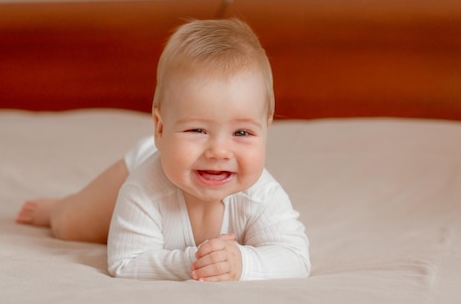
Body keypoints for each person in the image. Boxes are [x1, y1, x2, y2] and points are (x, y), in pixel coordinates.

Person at [16, 18, 311, 282]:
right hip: (142, 166)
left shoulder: (262, 195)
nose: (219, 151)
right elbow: (125, 262)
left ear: (266, 129)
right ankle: (60, 207)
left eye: (242, 133)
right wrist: (197, 263)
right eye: (197, 130)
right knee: (72, 224)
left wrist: (242, 264)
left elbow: (295, 257)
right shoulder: (143, 188)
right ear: (160, 128)